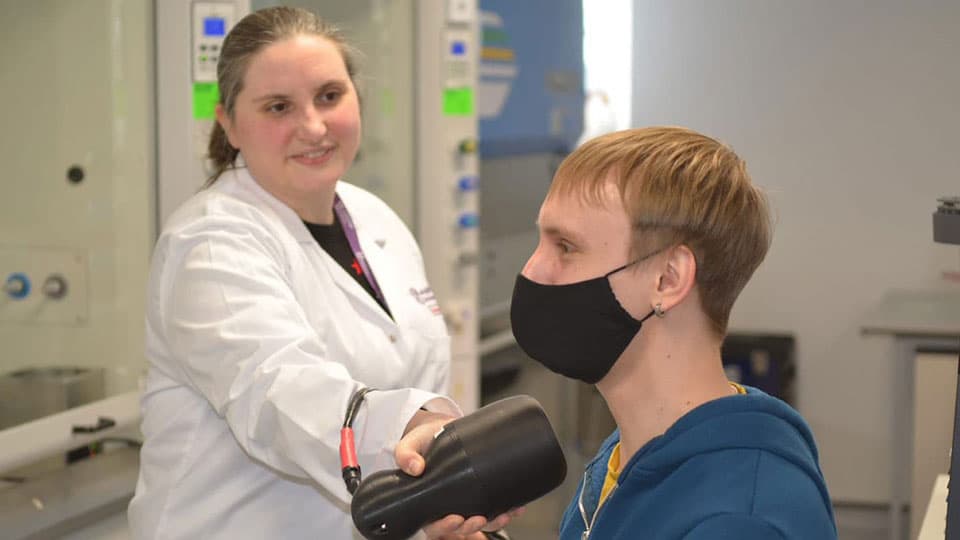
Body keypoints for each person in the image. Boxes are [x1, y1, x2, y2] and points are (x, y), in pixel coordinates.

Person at [128, 7, 514, 539]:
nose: (313, 126)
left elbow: (416, 376)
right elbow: (282, 391)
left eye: (330, 96)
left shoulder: (376, 220)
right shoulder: (210, 244)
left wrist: (442, 506)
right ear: (228, 122)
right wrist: (411, 428)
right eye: (278, 107)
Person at [509, 126, 838, 539]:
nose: (532, 270)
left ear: (667, 279)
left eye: (566, 247)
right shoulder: (632, 453)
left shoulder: (740, 521)